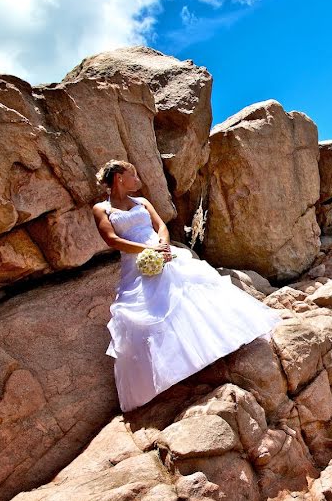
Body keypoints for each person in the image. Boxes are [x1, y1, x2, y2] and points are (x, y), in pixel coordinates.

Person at [92, 160, 282, 412]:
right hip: (136, 261)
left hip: (163, 253)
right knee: (151, 311)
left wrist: (163, 246)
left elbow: (160, 226)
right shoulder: (102, 209)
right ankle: (171, 372)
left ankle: (212, 348)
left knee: (188, 294)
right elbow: (112, 239)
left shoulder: (142, 202)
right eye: (133, 175)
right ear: (118, 178)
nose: (138, 180)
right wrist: (150, 250)